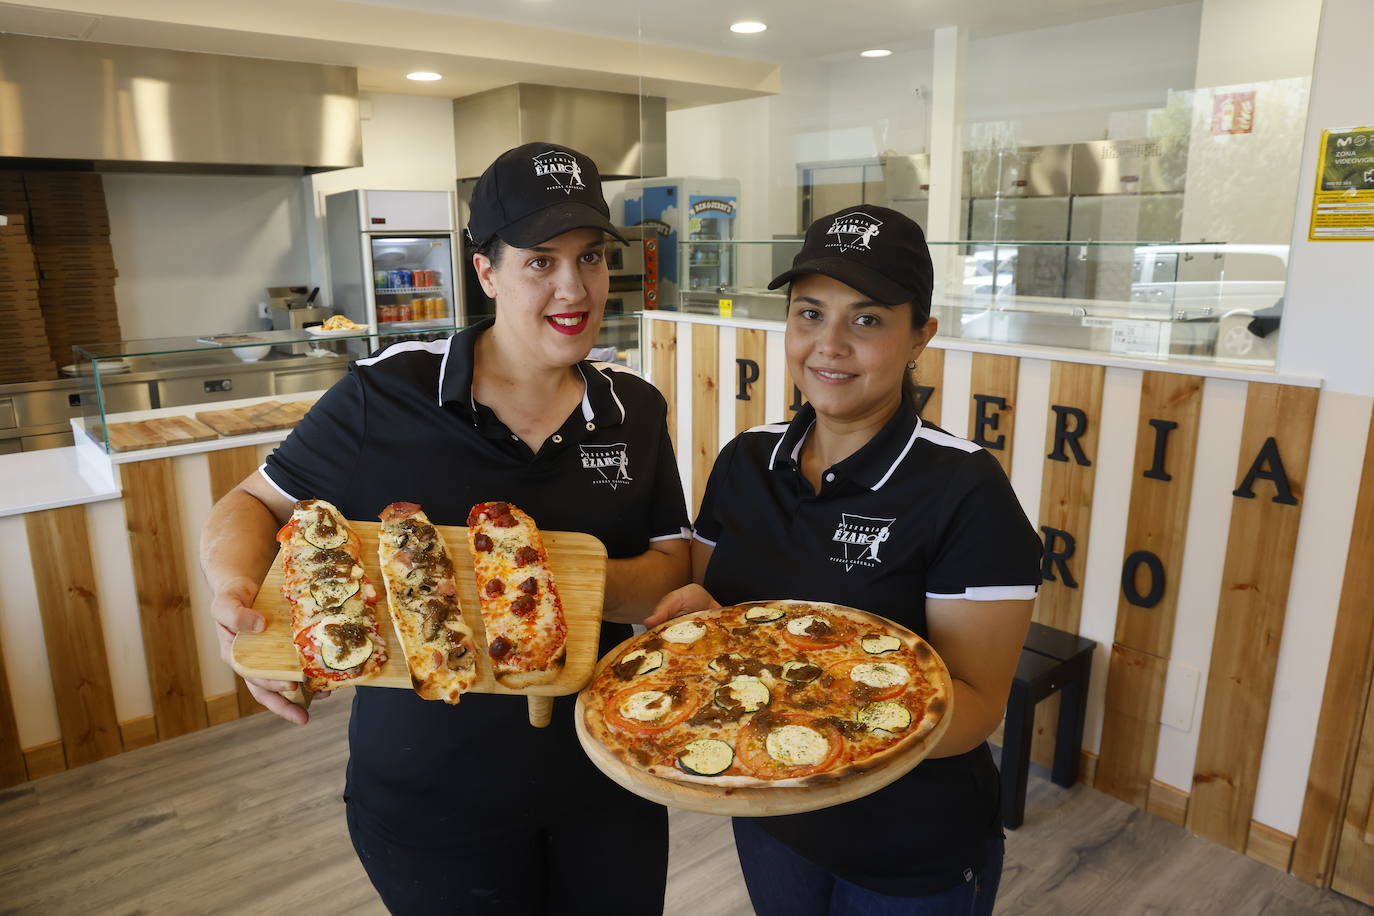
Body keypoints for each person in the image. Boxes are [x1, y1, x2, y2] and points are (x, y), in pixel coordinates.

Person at [201, 141, 690, 915]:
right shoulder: (387, 394)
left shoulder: (635, 408)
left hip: (609, 772)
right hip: (431, 800)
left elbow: (672, 566)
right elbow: (251, 506)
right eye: (541, 261)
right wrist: (239, 601)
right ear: (486, 269)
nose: (575, 287)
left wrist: (535, 594)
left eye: (591, 257)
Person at [647, 204, 1042, 915]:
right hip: (769, 812)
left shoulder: (964, 489)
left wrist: (819, 732)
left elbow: (977, 707)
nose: (828, 345)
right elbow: (723, 617)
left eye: (866, 319)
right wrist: (704, 620)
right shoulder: (744, 462)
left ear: (920, 334)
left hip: (910, 848)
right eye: (809, 313)